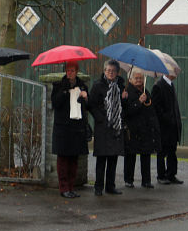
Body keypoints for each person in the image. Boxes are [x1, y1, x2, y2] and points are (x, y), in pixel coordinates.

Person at [51, 61, 89, 198]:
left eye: (72, 70)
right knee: (63, 159)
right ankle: (64, 188)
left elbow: (87, 106)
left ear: (77, 71)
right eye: (67, 70)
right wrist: (65, 92)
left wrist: (85, 97)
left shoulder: (82, 85)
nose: (69, 73)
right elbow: (55, 103)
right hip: (63, 128)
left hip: (77, 128)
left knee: (74, 160)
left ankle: (71, 187)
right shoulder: (59, 85)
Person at [88, 59, 126, 196]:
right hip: (103, 127)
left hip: (116, 126)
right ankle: (98, 187)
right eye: (108, 70)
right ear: (104, 71)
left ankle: (110, 186)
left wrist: (124, 98)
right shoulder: (98, 85)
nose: (111, 73)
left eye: (113, 71)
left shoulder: (121, 85)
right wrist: (100, 118)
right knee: (101, 159)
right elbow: (91, 105)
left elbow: (123, 107)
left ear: (117, 72)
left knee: (113, 158)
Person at [122, 68, 161, 189]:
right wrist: (139, 102)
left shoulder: (146, 92)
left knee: (146, 155)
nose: (139, 80)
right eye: (136, 78)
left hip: (145, 130)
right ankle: (128, 180)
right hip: (132, 129)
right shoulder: (127, 92)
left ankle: (146, 180)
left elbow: (150, 110)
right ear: (131, 79)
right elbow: (127, 111)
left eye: (141, 78)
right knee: (131, 156)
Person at [152, 72, 183, 185]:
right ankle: (161, 175)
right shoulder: (158, 86)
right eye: (174, 71)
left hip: (173, 126)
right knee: (162, 152)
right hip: (164, 127)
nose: (176, 73)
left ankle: (171, 174)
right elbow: (156, 107)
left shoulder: (171, 84)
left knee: (172, 151)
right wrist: (167, 118)